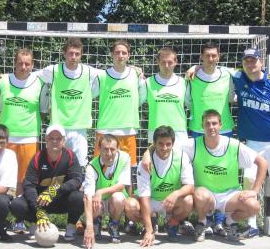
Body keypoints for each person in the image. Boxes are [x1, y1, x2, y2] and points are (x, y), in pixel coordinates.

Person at [232, 47, 270, 240]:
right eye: (246, 61)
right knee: (250, 181)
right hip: (252, 142)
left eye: (253, 60)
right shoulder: (238, 77)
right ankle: (251, 224)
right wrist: (195, 67)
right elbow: (216, 69)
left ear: (261, 62)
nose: (250, 64)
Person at [188, 109, 268, 242]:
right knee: (199, 195)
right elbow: (169, 149)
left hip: (230, 195)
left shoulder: (233, 144)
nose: (211, 127)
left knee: (254, 206)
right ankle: (202, 223)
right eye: (207, 124)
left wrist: (255, 191)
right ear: (202, 126)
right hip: (207, 195)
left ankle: (229, 222)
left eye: (214, 123)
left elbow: (263, 163)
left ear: (221, 125)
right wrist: (149, 154)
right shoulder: (193, 144)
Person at [0, 48, 48, 233]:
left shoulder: (40, 83)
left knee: (24, 181)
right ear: (14, 63)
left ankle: (19, 219)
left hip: (29, 137)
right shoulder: (2, 82)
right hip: (5, 139)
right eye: (20, 63)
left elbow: (43, 110)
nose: (23, 67)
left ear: (32, 65)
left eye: (27, 64)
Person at [32, 38, 103, 169]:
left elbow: (113, 74)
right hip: (58, 127)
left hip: (80, 128)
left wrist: (133, 69)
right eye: (70, 53)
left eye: (77, 54)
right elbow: (30, 76)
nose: (73, 57)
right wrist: (6, 77)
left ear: (81, 55)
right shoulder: (53, 71)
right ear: (64, 54)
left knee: (80, 166)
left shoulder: (89, 72)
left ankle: (77, 183)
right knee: (55, 166)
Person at [9, 124, 84, 241]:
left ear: (63, 141)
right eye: (51, 138)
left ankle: (71, 225)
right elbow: (29, 185)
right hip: (40, 201)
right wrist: (38, 211)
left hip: (61, 199)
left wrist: (53, 191)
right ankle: (35, 222)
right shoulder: (37, 157)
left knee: (80, 198)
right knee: (16, 205)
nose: (54, 141)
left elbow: (77, 179)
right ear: (46, 140)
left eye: (58, 138)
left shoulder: (70, 156)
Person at [125, 126, 195, 247]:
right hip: (151, 200)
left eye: (168, 144)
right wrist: (149, 230)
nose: (164, 148)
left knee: (188, 200)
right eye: (161, 144)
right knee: (129, 205)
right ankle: (150, 224)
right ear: (154, 144)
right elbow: (144, 197)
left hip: (170, 201)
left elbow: (190, 186)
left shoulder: (182, 157)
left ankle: (172, 223)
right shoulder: (145, 163)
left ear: (173, 144)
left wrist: (176, 194)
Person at [93, 39, 146, 168]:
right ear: (112, 54)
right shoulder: (102, 75)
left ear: (129, 55)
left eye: (124, 53)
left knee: (129, 169)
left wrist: (131, 106)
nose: (120, 56)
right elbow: (89, 95)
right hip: (105, 130)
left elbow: (142, 96)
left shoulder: (136, 74)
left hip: (128, 130)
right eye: (117, 52)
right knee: (100, 169)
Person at [82, 134, 130, 248]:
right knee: (91, 200)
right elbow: (87, 196)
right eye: (105, 149)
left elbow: (121, 186)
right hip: (99, 202)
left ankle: (113, 225)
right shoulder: (91, 167)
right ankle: (95, 223)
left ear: (118, 148)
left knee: (119, 198)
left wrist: (100, 192)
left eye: (112, 149)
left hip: (114, 199)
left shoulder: (125, 158)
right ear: (99, 149)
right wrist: (89, 226)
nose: (109, 153)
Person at [142, 47, 189, 151]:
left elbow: (192, 105)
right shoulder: (148, 82)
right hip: (156, 132)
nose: (167, 66)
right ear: (157, 62)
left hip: (179, 133)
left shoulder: (184, 83)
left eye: (170, 62)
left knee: (179, 161)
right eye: (163, 62)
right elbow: (135, 103)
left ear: (176, 62)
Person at [185, 42, 235, 138]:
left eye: (214, 56)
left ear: (218, 57)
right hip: (199, 128)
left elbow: (230, 98)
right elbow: (187, 101)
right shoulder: (192, 76)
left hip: (223, 128)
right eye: (207, 56)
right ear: (201, 57)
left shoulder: (227, 75)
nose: (211, 59)